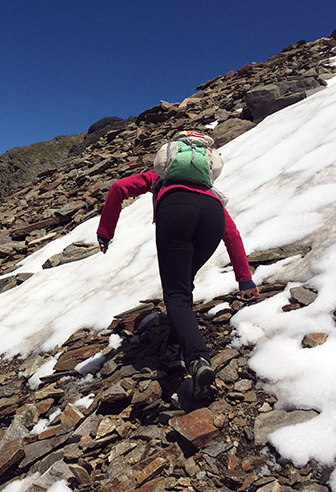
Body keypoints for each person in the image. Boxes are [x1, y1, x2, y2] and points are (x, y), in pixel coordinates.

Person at [96, 166, 259, 395]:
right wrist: (244, 279)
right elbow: (231, 233)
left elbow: (119, 187)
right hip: (212, 217)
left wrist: (105, 232)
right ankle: (175, 344)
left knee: (176, 293)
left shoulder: (162, 175)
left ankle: (197, 359)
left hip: (175, 211)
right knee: (182, 285)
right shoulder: (208, 189)